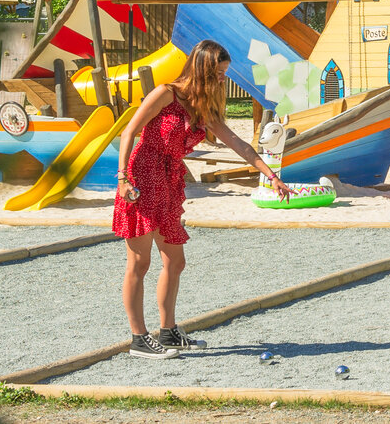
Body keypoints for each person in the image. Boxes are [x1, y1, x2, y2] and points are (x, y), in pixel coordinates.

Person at [113, 39, 290, 359]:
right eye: (219, 73)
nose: (223, 79)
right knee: (140, 262)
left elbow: (239, 144)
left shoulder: (201, 107)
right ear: (202, 69)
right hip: (141, 176)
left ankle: (168, 332)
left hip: (169, 181)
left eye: (224, 73)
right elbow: (129, 132)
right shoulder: (166, 93)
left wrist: (272, 176)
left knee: (175, 262)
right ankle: (139, 338)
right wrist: (123, 178)